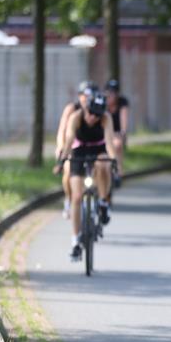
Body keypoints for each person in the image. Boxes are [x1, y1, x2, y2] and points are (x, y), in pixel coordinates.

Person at [54, 92, 117, 260]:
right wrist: (61, 162)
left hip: (98, 149)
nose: (93, 117)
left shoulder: (106, 118)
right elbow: (68, 141)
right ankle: (75, 242)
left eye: (97, 114)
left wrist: (114, 160)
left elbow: (110, 143)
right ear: (85, 108)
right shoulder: (76, 117)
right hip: (79, 150)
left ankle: (103, 201)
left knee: (104, 163)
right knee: (76, 197)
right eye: (90, 113)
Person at [55, 82, 97, 218]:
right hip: (71, 146)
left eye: (91, 96)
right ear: (80, 96)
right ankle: (68, 199)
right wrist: (61, 148)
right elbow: (62, 130)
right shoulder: (71, 109)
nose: (87, 99)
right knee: (67, 170)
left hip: (89, 147)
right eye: (85, 95)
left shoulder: (97, 109)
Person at [104, 79, 130, 183]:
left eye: (114, 92)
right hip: (104, 131)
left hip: (116, 132)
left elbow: (124, 118)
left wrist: (123, 132)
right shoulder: (102, 102)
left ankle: (118, 171)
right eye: (109, 92)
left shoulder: (122, 102)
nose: (112, 95)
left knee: (117, 145)